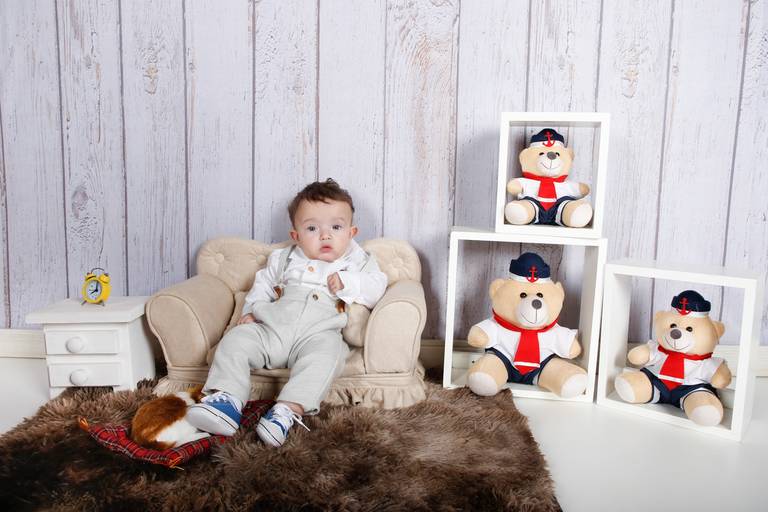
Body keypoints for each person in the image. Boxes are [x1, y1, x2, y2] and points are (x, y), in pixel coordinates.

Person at [186, 179, 388, 447]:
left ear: (351, 233)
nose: (325, 235)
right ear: (296, 235)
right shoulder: (283, 258)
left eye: (336, 227)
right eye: (312, 228)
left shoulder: (358, 262)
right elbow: (262, 286)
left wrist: (348, 283)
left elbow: (376, 288)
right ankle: (227, 400)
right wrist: (251, 312)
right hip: (273, 327)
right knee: (237, 340)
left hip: (318, 333)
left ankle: (286, 411)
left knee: (328, 355)